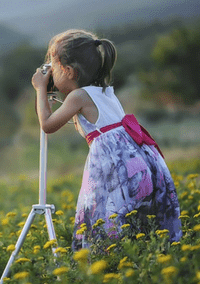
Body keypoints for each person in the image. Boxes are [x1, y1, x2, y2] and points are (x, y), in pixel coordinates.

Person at [31, 29, 181, 250]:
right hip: (141, 164)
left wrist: (40, 89)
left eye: (52, 67)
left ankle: (107, 261)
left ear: (69, 71)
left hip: (115, 170)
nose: (50, 73)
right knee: (136, 222)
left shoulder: (78, 96)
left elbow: (47, 125)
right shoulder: (105, 91)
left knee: (105, 218)